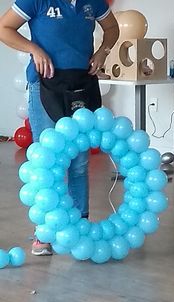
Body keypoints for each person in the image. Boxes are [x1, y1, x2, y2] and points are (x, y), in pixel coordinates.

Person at [0, 0, 119, 256]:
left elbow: (112, 28)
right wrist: (34, 49)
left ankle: (79, 228)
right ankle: (43, 232)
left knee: (79, 163)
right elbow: (4, 28)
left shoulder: (93, 2)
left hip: (81, 85)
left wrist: (103, 52)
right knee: (47, 162)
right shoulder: (36, 1)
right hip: (46, 85)